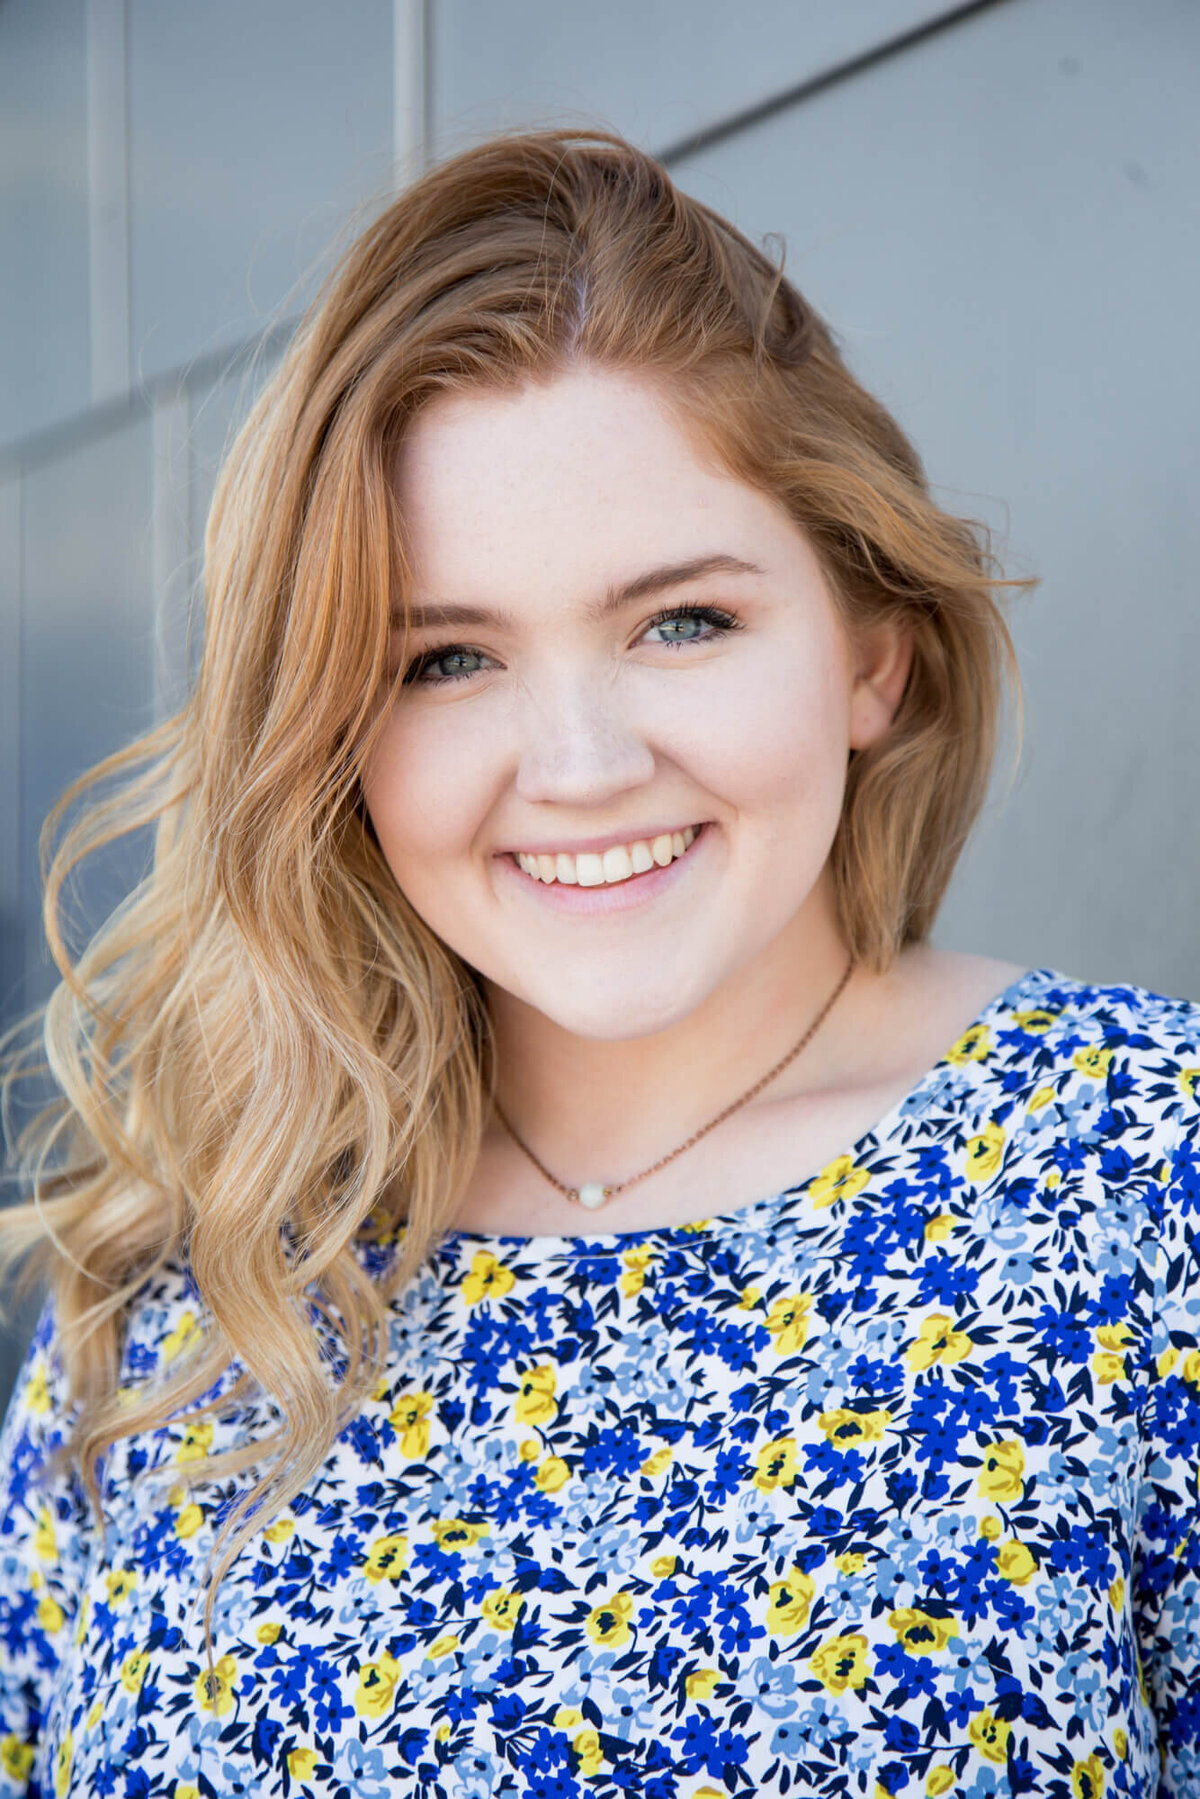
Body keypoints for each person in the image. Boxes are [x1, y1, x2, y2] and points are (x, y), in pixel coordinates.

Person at [0, 127, 1197, 1799]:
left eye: (680, 623)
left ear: (873, 657)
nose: (573, 765)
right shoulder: (185, 1297)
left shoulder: (1148, 1181)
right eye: (445, 659)